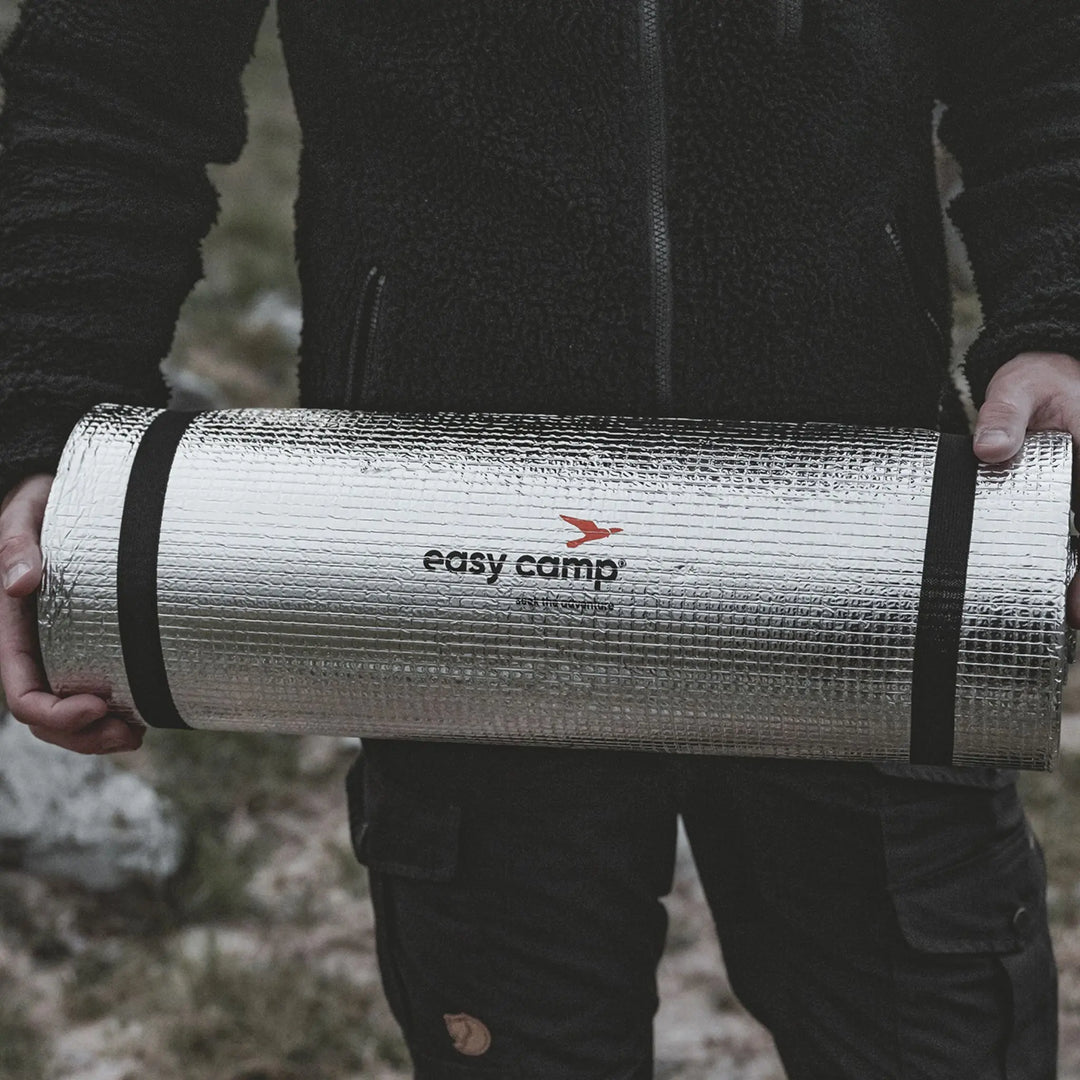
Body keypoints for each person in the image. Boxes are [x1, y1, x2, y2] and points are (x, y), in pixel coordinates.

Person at [1, 2, 1079, 1076]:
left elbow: (1042, 53)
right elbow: (110, 78)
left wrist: (1060, 327)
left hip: (863, 549)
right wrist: (51, 428)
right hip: (454, 564)